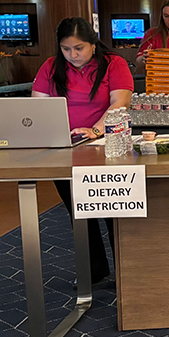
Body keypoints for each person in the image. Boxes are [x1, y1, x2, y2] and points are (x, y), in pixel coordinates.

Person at [32, 17, 134, 283]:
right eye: (66, 49)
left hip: (106, 145)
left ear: (92, 44)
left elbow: (119, 103)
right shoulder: (51, 67)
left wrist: (95, 131)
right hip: (64, 148)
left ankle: (127, 271)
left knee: (114, 211)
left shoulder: (114, 64)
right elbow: (37, 107)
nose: (73, 55)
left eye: (79, 48)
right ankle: (95, 269)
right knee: (79, 211)